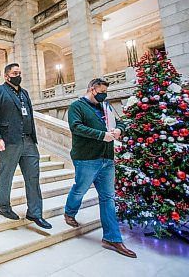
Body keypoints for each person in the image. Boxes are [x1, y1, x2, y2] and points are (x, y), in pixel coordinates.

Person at [64, 78, 137, 258]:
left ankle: (112, 238)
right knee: (80, 189)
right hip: (86, 158)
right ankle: (69, 212)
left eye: (106, 91)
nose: (104, 94)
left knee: (108, 197)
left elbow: (120, 122)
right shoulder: (77, 106)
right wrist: (101, 136)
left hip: (107, 159)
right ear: (92, 89)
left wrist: (119, 130)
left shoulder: (106, 106)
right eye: (101, 91)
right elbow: (76, 127)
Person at [0, 63, 52, 229]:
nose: (18, 75)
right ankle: (4, 206)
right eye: (15, 73)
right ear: (6, 75)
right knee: (6, 175)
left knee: (33, 177)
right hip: (9, 141)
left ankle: (35, 213)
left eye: (19, 72)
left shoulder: (25, 93)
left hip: (29, 141)